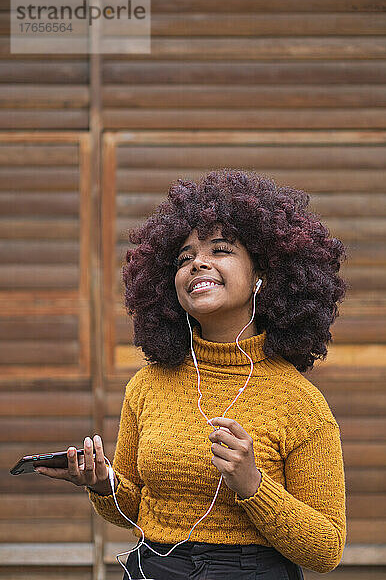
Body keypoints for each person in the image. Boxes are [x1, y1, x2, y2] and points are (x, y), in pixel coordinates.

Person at [35, 168, 347, 580]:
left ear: (262, 275)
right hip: (156, 568)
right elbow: (136, 507)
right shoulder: (148, 385)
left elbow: (326, 549)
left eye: (220, 250)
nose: (198, 262)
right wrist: (101, 482)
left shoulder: (300, 402)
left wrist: (253, 485)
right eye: (184, 258)